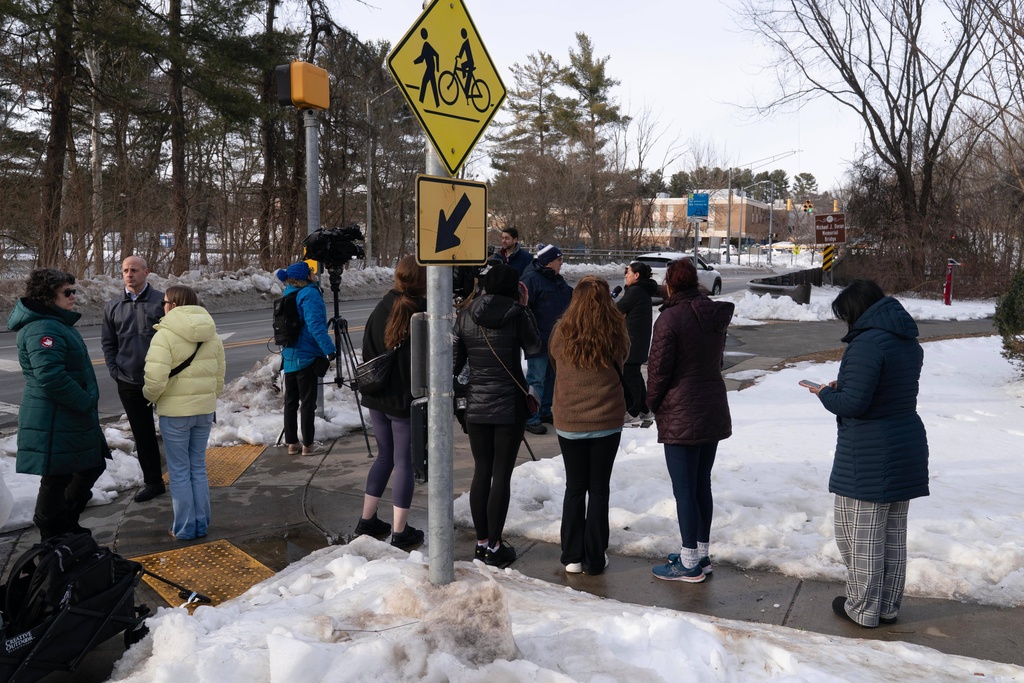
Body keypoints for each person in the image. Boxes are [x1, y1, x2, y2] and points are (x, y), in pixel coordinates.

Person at [805, 279, 929, 628]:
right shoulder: (907, 341)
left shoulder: (867, 344)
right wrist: (844, 387)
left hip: (870, 452)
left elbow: (854, 403)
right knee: (891, 535)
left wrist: (825, 394)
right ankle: (886, 606)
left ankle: (862, 609)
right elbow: (884, 390)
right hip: (905, 444)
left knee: (859, 536)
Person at [648, 258, 734, 583]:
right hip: (711, 405)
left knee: (684, 489)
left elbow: (658, 371)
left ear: (670, 284)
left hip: (681, 410)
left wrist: (652, 403)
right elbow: (719, 359)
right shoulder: (712, 314)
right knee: (701, 485)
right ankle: (701, 554)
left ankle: (688, 563)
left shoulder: (670, 319)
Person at [453, 264, 542, 567]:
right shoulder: (518, 313)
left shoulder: (465, 314)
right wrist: (525, 308)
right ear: (514, 287)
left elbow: (454, 363)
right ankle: (495, 544)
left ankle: (481, 543)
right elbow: (534, 347)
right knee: (501, 474)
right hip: (509, 406)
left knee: (482, 470)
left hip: (476, 405)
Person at [9, 269, 107, 539]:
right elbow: (50, 375)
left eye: (74, 290)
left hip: (67, 414)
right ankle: (52, 534)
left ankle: (66, 523)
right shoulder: (43, 327)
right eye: (67, 292)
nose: (73, 296)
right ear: (47, 295)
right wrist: (84, 401)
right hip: (54, 416)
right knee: (56, 478)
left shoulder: (55, 322)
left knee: (91, 464)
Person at [547, 276, 629, 575]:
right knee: (598, 489)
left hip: (569, 419)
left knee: (574, 487)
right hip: (607, 418)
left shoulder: (560, 332)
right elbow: (623, 362)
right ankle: (595, 558)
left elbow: (555, 364)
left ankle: (571, 556)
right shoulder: (616, 332)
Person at [354, 255, 428, 550]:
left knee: (385, 457)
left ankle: (367, 520)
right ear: (424, 282)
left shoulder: (381, 305)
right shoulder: (420, 315)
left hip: (376, 395)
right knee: (404, 463)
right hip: (404, 401)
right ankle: (400, 532)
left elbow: (367, 350)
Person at [143, 285, 226, 541]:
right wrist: (209, 398)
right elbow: (219, 376)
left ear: (174, 305)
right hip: (203, 411)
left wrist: (150, 398)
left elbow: (155, 380)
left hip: (175, 414)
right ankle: (201, 524)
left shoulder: (164, 335)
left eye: (165, 302)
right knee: (198, 468)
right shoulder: (211, 333)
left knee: (179, 471)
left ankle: (185, 528)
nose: (162, 306)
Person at [102, 255, 166, 503]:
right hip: (128, 381)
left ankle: (184, 475)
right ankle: (153, 482)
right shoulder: (113, 306)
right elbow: (109, 343)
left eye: (134, 270)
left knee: (173, 430)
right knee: (143, 433)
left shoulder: (163, 301)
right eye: (125, 270)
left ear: (146, 272)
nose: (129, 274)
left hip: (162, 380)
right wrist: (115, 371)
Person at [277, 261, 337, 456]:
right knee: (308, 403)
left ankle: (292, 443)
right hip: (307, 356)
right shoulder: (310, 294)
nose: (314, 272)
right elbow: (315, 326)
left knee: (291, 402)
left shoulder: (289, 292)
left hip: (289, 355)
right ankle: (308, 445)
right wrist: (329, 349)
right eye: (311, 271)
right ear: (306, 277)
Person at [520, 243, 573, 434]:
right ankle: (531, 417)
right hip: (538, 340)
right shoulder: (531, 279)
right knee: (537, 379)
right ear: (549, 262)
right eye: (559, 260)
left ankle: (544, 410)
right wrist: (531, 335)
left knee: (552, 377)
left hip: (557, 339)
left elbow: (569, 299)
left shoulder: (557, 279)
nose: (562, 263)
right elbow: (523, 310)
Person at [616, 261, 658, 422]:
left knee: (630, 376)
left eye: (628, 272)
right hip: (638, 341)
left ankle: (632, 412)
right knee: (635, 375)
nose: (625, 275)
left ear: (637, 275)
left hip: (632, 342)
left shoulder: (635, 291)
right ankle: (644, 408)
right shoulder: (642, 290)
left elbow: (616, 310)